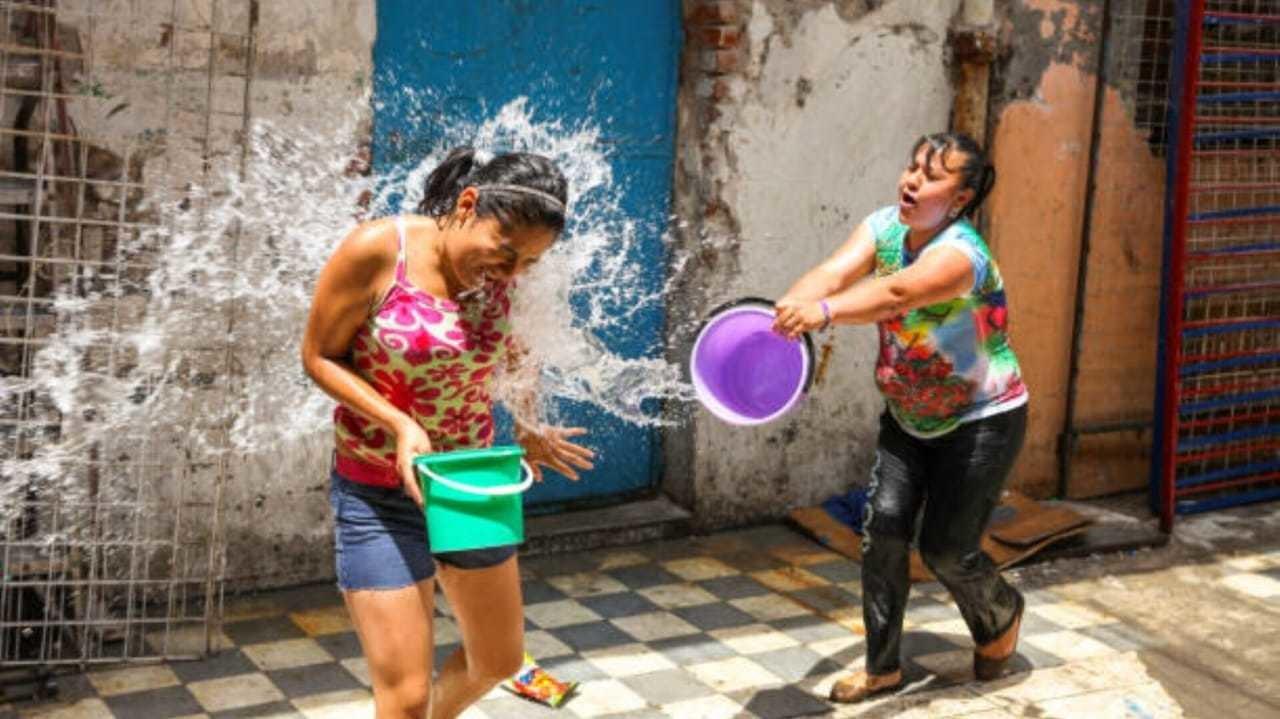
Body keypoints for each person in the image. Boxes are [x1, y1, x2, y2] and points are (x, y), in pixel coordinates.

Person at [301, 147, 595, 719]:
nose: (509, 275)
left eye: (527, 265)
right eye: (504, 253)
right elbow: (319, 356)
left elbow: (520, 356)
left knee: (499, 661)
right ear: (466, 205)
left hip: (471, 483)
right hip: (378, 490)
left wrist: (527, 424)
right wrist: (400, 424)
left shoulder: (510, 277)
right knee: (405, 698)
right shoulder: (378, 250)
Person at [773, 132, 1029, 703]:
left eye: (932, 175)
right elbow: (833, 274)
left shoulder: (961, 256)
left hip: (982, 419)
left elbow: (894, 294)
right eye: (912, 165)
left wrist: (821, 313)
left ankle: (1002, 613)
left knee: (946, 549)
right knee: (882, 530)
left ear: (960, 199)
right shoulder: (884, 226)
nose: (912, 180)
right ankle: (882, 667)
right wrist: (787, 313)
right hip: (907, 416)